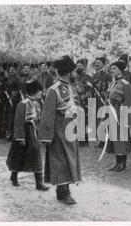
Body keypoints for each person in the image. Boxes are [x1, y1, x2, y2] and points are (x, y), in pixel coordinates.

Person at [38, 55, 81, 205]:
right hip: (58, 132)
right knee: (60, 162)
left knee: (69, 161)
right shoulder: (54, 90)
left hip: (69, 130)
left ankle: (63, 191)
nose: (76, 74)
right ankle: (64, 193)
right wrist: (46, 137)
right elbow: (47, 114)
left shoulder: (68, 87)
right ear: (69, 72)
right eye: (74, 71)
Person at [7, 79, 49, 191]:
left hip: (33, 132)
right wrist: (20, 138)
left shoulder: (38, 104)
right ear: (34, 91)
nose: (41, 93)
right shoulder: (23, 104)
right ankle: (14, 176)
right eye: (39, 91)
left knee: (36, 155)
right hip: (24, 133)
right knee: (19, 156)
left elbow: (39, 120)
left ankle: (39, 182)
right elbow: (18, 122)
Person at [104, 61, 131, 172]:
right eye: (111, 69)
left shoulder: (126, 85)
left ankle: (123, 163)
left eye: (114, 69)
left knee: (122, 140)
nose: (112, 71)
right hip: (112, 114)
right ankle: (117, 162)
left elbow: (129, 103)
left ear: (121, 70)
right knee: (114, 140)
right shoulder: (112, 84)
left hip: (121, 115)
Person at [74, 58, 94, 147]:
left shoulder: (88, 77)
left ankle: (84, 140)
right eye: (77, 65)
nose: (78, 67)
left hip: (84, 99)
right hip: (76, 100)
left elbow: (90, 89)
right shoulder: (74, 76)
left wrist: (81, 88)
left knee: (84, 119)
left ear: (84, 66)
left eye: (80, 66)